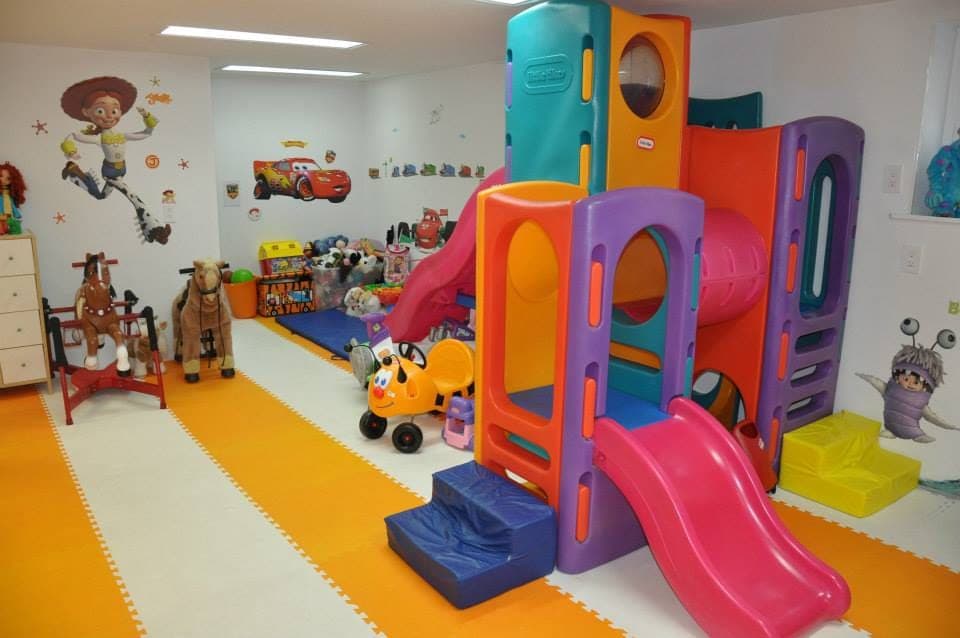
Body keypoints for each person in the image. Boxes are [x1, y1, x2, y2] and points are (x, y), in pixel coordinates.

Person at [59, 76, 172, 244]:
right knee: (134, 198)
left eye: (114, 110)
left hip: (121, 170)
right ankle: (153, 230)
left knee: (100, 196)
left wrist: (146, 116)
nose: (108, 116)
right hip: (110, 173)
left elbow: (147, 133)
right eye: (100, 111)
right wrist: (71, 150)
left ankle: (75, 172)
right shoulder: (100, 138)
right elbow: (74, 135)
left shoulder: (122, 135)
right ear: (87, 113)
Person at [0, 162, 26, 235]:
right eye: (1, 176)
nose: (4, 180)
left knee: (12, 227)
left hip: (8, 214)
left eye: (8, 178)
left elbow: (12, 205)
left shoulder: (9, 195)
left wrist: (16, 213)